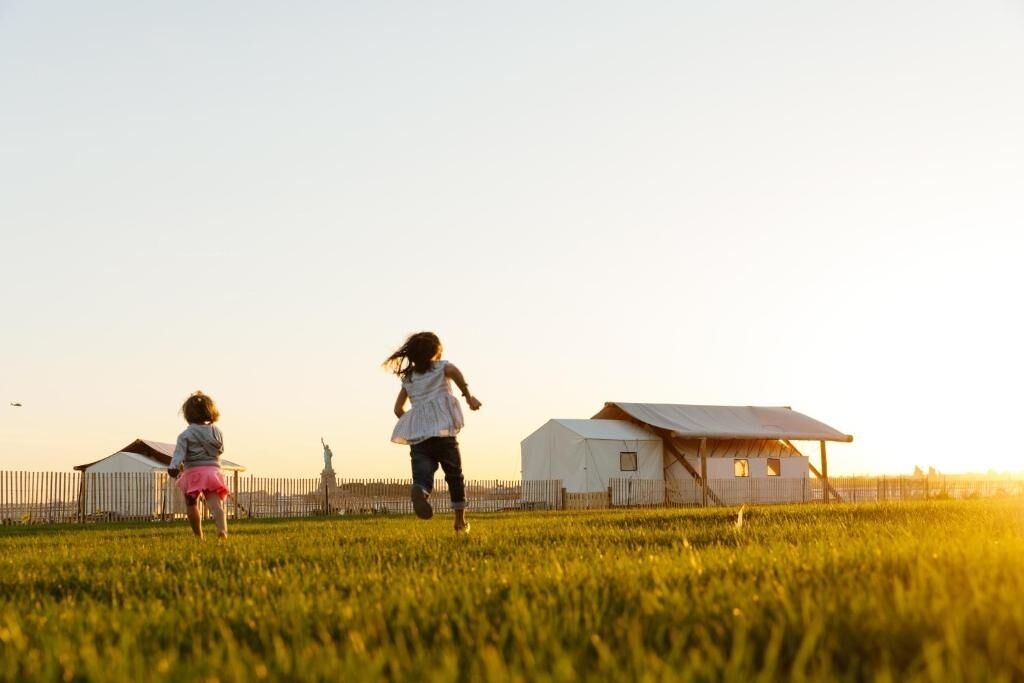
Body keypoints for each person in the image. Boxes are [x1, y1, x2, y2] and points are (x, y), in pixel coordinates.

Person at [384, 332, 481, 532]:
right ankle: (460, 522)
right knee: (454, 475)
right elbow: (455, 372)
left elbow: (397, 409)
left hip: (420, 440)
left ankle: (421, 491)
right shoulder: (441, 367)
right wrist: (468, 396)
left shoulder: (409, 378)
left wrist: (415, 425)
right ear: (436, 352)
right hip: (444, 435)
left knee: (422, 475)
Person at [167, 391, 230, 539]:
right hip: (212, 472)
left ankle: (198, 536)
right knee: (216, 506)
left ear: (188, 414)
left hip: (193, 472)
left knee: (191, 504)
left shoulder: (185, 435)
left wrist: (174, 467)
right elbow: (220, 450)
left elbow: (179, 455)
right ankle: (222, 530)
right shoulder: (217, 431)